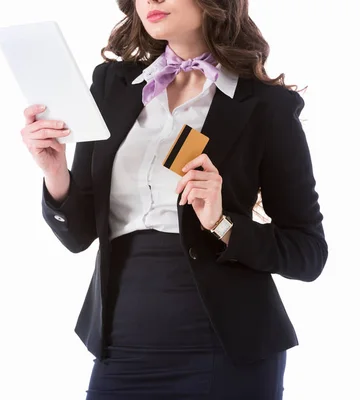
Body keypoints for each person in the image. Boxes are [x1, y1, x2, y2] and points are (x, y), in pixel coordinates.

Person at [20, 0, 328, 398]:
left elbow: (308, 253)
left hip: (228, 355)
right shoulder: (111, 86)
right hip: (122, 348)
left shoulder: (267, 107)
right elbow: (79, 234)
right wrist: (55, 172)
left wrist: (221, 222)